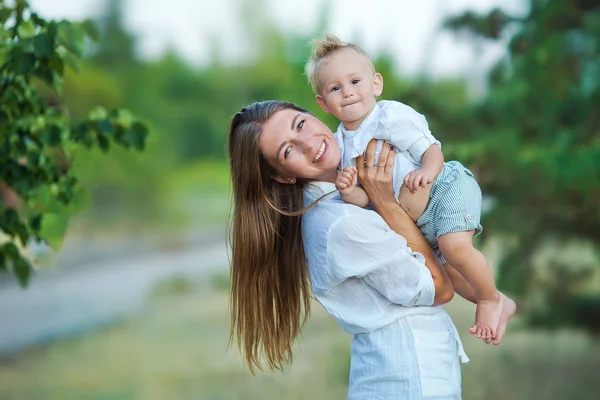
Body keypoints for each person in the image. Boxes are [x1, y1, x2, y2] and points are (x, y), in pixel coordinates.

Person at [228, 100, 492, 398]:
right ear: (283, 176)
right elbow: (439, 288)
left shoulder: (349, 187)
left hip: (410, 368)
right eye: (287, 151)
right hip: (409, 374)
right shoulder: (339, 223)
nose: (308, 144)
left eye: (300, 124)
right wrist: (385, 201)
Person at [304, 34, 516, 342]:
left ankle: (488, 300)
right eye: (336, 88)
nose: (348, 93)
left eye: (354, 82)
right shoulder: (341, 146)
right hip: (420, 222)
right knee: (453, 276)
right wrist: (350, 191)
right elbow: (368, 198)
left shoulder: (390, 116)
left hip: (444, 189)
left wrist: (427, 173)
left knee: (456, 248)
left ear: (375, 84)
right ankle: (501, 299)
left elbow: (432, 151)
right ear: (324, 103)